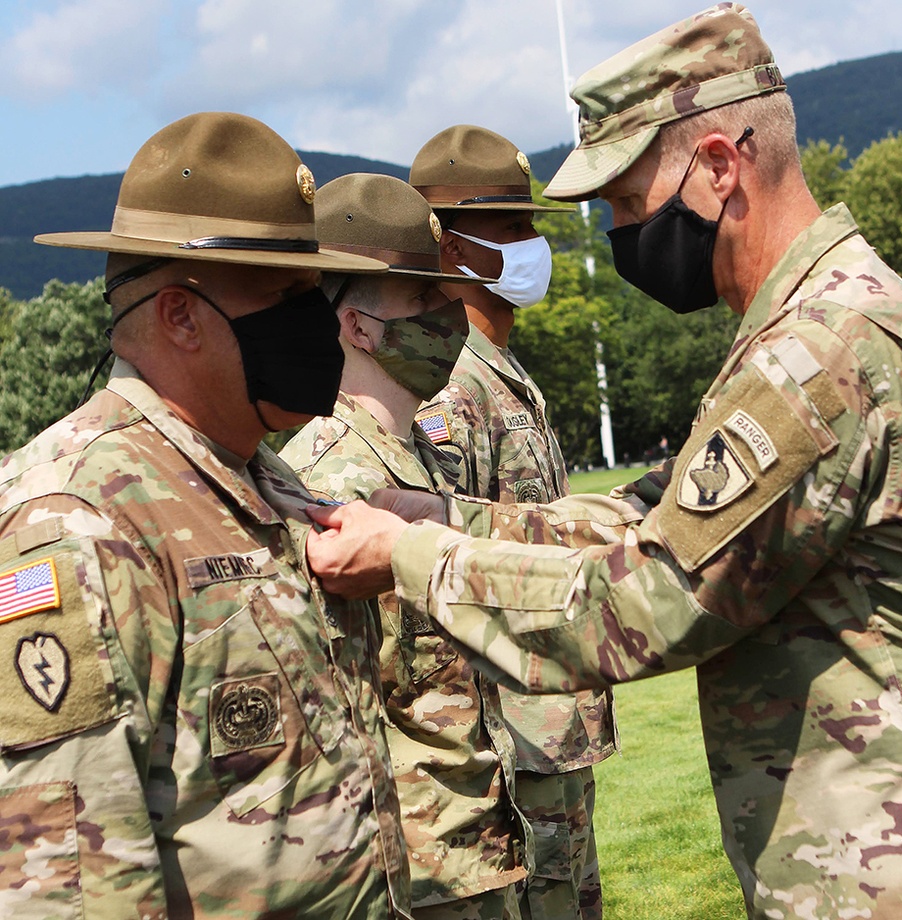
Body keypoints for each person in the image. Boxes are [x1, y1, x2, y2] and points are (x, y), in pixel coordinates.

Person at [306, 5, 902, 919]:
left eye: (632, 203)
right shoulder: (819, 328)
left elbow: (649, 600)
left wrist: (407, 557)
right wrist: (447, 518)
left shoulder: (822, 355)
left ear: (719, 165)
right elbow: (662, 519)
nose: (623, 233)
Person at [0, 112, 411, 919]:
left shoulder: (265, 476)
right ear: (181, 317)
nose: (317, 323)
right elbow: (71, 885)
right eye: (285, 295)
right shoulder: (76, 518)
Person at [280, 173, 530, 920]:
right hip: (419, 874)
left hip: (481, 843)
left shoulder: (429, 459)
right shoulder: (327, 482)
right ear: (358, 328)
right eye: (424, 302)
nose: (452, 317)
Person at [409, 125, 618, 920]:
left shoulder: (502, 372)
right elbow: (437, 567)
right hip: (510, 737)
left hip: (548, 726)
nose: (535, 246)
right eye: (512, 229)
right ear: (451, 246)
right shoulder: (451, 391)